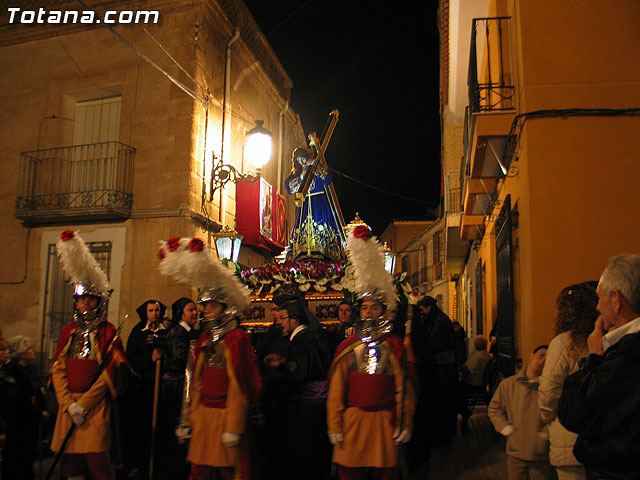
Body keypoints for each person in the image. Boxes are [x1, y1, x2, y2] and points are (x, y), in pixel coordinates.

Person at [327, 225, 415, 480]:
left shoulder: (394, 347)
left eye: (374, 307)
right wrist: (334, 424)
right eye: (364, 307)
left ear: (383, 310)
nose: (368, 312)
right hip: (352, 425)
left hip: (383, 426)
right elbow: (336, 391)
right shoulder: (348, 348)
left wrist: (404, 422)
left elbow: (404, 390)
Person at [50, 229, 129, 480]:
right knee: (70, 466)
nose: (84, 305)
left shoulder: (108, 332)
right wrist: (67, 403)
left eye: (89, 301)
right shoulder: (69, 332)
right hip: (68, 407)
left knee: (98, 464)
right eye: (80, 301)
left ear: (98, 302)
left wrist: (83, 404)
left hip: (94, 410)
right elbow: (58, 368)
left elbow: (111, 373)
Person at [558, 254, 640, 479]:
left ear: (616, 299)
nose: (597, 306)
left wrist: (593, 357)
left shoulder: (626, 354)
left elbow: (574, 410)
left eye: (600, 298)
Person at [538, 282, 598, 480]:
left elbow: (549, 392)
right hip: (602, 441)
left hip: (569, 439)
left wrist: (547, 417)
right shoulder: (603, 340)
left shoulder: (563, 343)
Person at [269, 293, 331, 480]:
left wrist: (279, 379)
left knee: (304, 456)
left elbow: (297, 375)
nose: (279, 322)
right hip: (318, 405)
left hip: (305, 408)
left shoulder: (300, 340)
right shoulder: (312, 335)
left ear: (294, 319)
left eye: (282, 318)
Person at [488, 345, 553, 480]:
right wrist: (504, 427)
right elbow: (495, 408)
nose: (543, 360)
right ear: (530, 356)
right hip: (516, 452)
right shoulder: (508, 385)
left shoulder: (549, 389)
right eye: (541, 355)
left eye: (548, 358)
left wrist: (546, 432)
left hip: (541, 454)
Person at [155, 297, 199, 480]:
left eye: (196, 309)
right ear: (181, 313)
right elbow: (180, 359)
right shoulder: (176, 333)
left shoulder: (190, 332)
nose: (195, 313)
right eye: (190, 310)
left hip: (185, 386)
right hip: (176, 389)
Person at [124, 299, 168, 477]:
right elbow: (130, 359)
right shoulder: (137, 333)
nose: (155, 313)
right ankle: (142, 463)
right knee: (143, 426)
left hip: (161, 385)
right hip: (143, 386)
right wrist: (149, 358)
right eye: (151, 310)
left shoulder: (166, 332)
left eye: (157, 310)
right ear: (145, 313)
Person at [284, 146, 345, 261]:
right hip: (305, 205)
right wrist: (302, 176)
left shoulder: (316, 169)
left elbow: (327, 178)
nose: (302, 161)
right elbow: (289, 187)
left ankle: (326, 253)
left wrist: (315, 164)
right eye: (298, 159)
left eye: (303, 158)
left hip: (320, 205)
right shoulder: (296, 175)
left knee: (323, 229)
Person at [1, 336, 47, 480]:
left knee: (27, 461)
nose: (32, 351)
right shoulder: (11, 372)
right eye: (28, 349)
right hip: (17, 422)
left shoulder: (30, 370)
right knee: (16, 462)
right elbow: (18, 398)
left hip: (29, 423)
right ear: (21, 353)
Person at [458, 335, 492, 428]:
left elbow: (465, 369)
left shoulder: (477, 357)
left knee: (457, 389)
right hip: (481, 384)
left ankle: (464, 411)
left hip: (473, 384)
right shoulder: (487, 355)